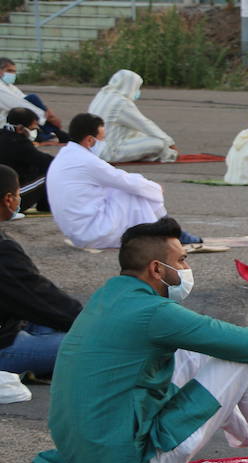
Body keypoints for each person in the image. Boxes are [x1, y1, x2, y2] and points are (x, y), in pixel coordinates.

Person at [27, 217, 248, 463]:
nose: (186, 268)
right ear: (156, 269)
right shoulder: (153, 313)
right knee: (246, 360)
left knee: (193, 352)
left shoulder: (107, 299)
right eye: (181, 260)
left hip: (85, 458)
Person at [47, 113, 201, 249]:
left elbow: (116, 177)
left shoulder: (66, 154)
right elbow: (124, 181)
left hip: (78, 231)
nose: (103, 143)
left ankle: (168, 228)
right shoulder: (87, 161)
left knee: (130, 185)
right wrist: (155, 187)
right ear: (89, 140)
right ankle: (168, 232)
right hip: (91, 233)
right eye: (102, 139)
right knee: (134, 191)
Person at [0, 164, 82, 403]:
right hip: (4, 345)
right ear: (8, 199)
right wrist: (93, 323)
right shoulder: (3, 251)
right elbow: (41, 297)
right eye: (17, 195)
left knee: (53, 324)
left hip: (9, 324)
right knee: (92, 342)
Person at [87, 69, 177, 164]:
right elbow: (144, 124)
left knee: (142, 135)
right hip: (110, 152)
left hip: (95, 148)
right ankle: (155, 155)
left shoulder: (103, 95)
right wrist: (169, 142)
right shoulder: (120, 103)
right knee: (161, 144)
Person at [0, 107, 54, 212]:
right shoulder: (19, 143)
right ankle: (46, 206)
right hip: (8, 201)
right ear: (20, 128)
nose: (35, 131)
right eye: (33, 128)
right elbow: (47, 162)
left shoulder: (3, 135)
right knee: (49, 173)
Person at [0, 57, 65, 143]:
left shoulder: (9, 86)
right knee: (28, 105)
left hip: (8, 119)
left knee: (32, 99)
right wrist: (46, 117)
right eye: (9, 71)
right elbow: (18, 104)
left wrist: (48, 112)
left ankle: (50, 131)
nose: (12, 74)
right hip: (3, 124)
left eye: (14, 72)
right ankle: (51, 131)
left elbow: (25, 100)